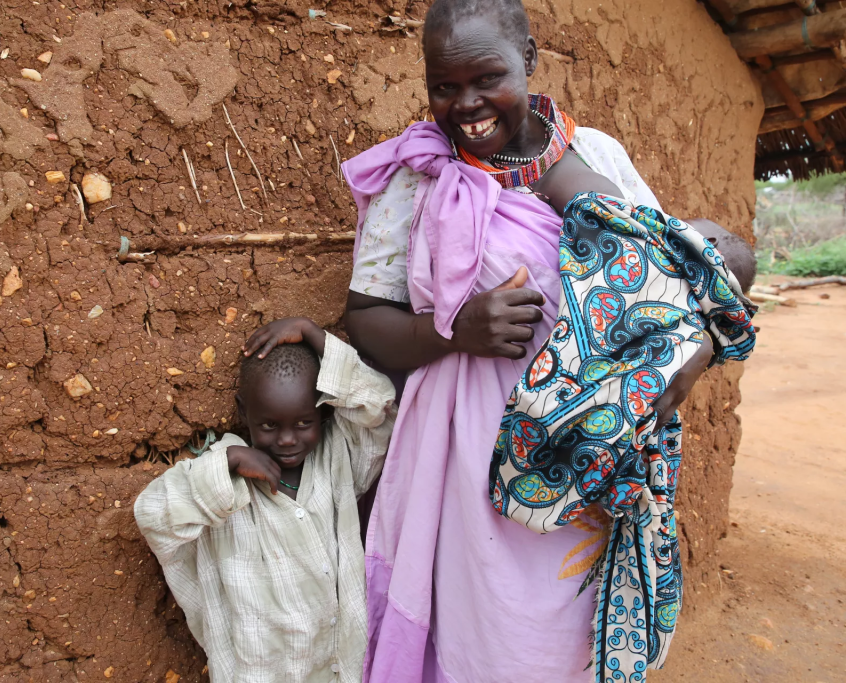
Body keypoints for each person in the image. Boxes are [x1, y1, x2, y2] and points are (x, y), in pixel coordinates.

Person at [341, 0, 756, 681]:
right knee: (487, 635)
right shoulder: (416, 177)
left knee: (569, 635)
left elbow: (680, 276)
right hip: (468, 461)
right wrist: (454, 331)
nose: (466, 104)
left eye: (487, 78)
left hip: (595, 448)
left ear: (529, 61)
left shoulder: (598, 157)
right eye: (445, 86)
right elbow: (364, 318)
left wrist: (695, 354)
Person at [133, 317, 396, 683]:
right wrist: (229, 462)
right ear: (244, 412)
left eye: (303, 423)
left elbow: (380, 407)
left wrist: (313, 333)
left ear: (322, 412)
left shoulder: (337, 459)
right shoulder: (225, 480)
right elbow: (152, 514)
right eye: (269, 425)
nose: (287, 440)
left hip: (344, 668)